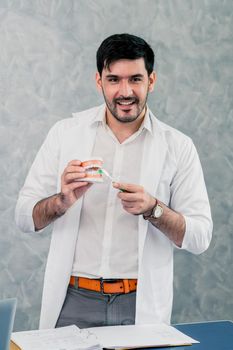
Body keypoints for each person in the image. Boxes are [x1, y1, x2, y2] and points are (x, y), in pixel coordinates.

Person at [15, 33, 213, 330]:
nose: (125, 91)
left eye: (135, 79)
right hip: (72, 302)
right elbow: (24, 218)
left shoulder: (178, 146)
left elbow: (200, 237)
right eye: (113, 79)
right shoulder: (65, 134)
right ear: (99, 82)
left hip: (139, 304)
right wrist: (61, 201)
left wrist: (153, 209)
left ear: (152, 80)